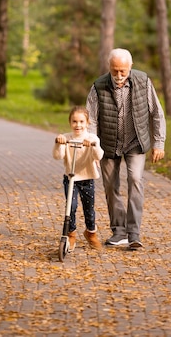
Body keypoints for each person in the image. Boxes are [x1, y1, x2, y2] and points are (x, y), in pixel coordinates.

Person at [86, 48, 166, 250]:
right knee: (111, 186)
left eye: (123, 71)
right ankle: (119, 231)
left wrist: (159, 143)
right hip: (108, 143)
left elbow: (156, 113)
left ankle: (134, 233)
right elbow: (91, 120)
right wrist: (93, 148)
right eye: (115, 72)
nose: (119, 76)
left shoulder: (143, 81)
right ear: (109, 68)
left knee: (136, 179)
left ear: (130, 66)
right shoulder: (98, 86)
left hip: (135, 141)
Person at [53, 105, 104, 252]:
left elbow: (99, 156)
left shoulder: (92, 138)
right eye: (74, 122)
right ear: (70, 123)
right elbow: (58, 156)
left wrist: (92, 146)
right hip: (71, 178)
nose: (78, 125)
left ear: (87, 123)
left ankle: (91, 232)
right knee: (72, 206)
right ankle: (71, 233)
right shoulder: (66, 138)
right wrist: (58, 143)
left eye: (81, 122)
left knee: (89, 208)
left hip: (87, 179)